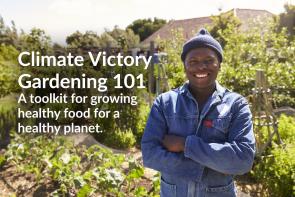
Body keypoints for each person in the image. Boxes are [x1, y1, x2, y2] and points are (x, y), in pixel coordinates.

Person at [141, 28, 255, 197]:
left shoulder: (236, 105)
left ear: (219, 64)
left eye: (209, 60)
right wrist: (207, 164)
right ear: (185, 66)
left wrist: (184, 145)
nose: (201, 66)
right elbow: (150, 154)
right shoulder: (165, 103)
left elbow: (243, 160)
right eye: (193, 61)